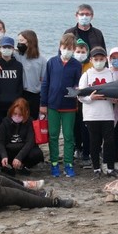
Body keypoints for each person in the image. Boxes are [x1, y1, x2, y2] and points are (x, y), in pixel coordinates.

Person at [40, 33, 83, 178]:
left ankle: (68, 164)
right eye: (65, 47)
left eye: (70, 48)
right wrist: (43, 103)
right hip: (52, 105)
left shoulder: (76, 65)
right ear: (60, 47)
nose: (67, 50)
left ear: (74, 49)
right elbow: (45, 83)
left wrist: (77, 90)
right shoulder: (52, 62)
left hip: (69, 106)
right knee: (53, 135)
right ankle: (54, 163)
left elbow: (78, 84)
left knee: (68, 136)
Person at [77, 46, 118, 176]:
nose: (99, 61)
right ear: (91, 60)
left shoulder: (111, 74)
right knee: (94, 141)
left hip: (107, 114)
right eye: (96, 59)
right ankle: (96, 168)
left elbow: (116, 93)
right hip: (91, 115)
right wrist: (91, 98)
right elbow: (80, 96)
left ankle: (110, 167)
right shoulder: (86, 75)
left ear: (106, 59)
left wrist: (113, 99)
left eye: (101, 59)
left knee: (109, 141)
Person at [0, 98, 45, 173]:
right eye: (15, 114)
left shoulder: (30, 122)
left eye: (20, 114)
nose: (17, 116)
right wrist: (4, 155)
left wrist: (19, 157)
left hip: (23, 152)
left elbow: (30, 142)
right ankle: (5, 166)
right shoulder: (5, 122)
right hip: (9, 151)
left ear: (26, 113)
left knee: (37, 154)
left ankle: (24, 166)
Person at [0, 36, 23, 118]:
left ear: (13, 49)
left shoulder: (18, 66)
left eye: (9, 47)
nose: (7, 49)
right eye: (4, 47)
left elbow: (20, 85)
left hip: (13, 105)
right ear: (0, 48)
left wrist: (16, 98)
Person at [14, 30, 46, 120]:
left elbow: (44, 80)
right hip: (20, 93)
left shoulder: (42, 60)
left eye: (21, 41)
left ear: (30, 41)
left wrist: (43, 102)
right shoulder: (16, 55)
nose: (19, 43)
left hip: (34, 95)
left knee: (32, 120)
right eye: (18, 41)